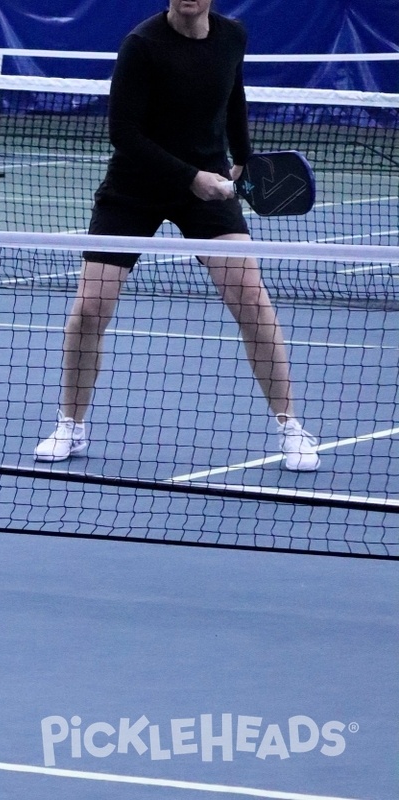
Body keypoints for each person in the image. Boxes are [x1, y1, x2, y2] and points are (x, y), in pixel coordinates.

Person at [33, 0, 320, 472]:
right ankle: (70, 424)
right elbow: (123, 133)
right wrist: (191, 177)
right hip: (134, 189)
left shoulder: (232, 36)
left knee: (251, 299)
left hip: (206, 192)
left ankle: (290, 426)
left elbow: (234, 96)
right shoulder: (141, 46)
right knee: (88, 311)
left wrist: (244, 157)